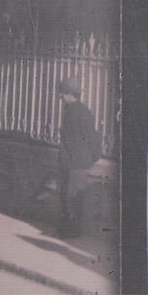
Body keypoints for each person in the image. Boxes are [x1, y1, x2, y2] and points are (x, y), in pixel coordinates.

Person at [55, 77, 101, 238]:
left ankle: (73, 230)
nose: (60, 97)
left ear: (69, 94)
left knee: (73, 196)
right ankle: (69, 228)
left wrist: (91, 158)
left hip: (77, 162)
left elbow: (91, 137)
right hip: (72, 161)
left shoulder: (79, 112)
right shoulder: (74, 110)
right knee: (69, 195)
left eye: (62, 93)